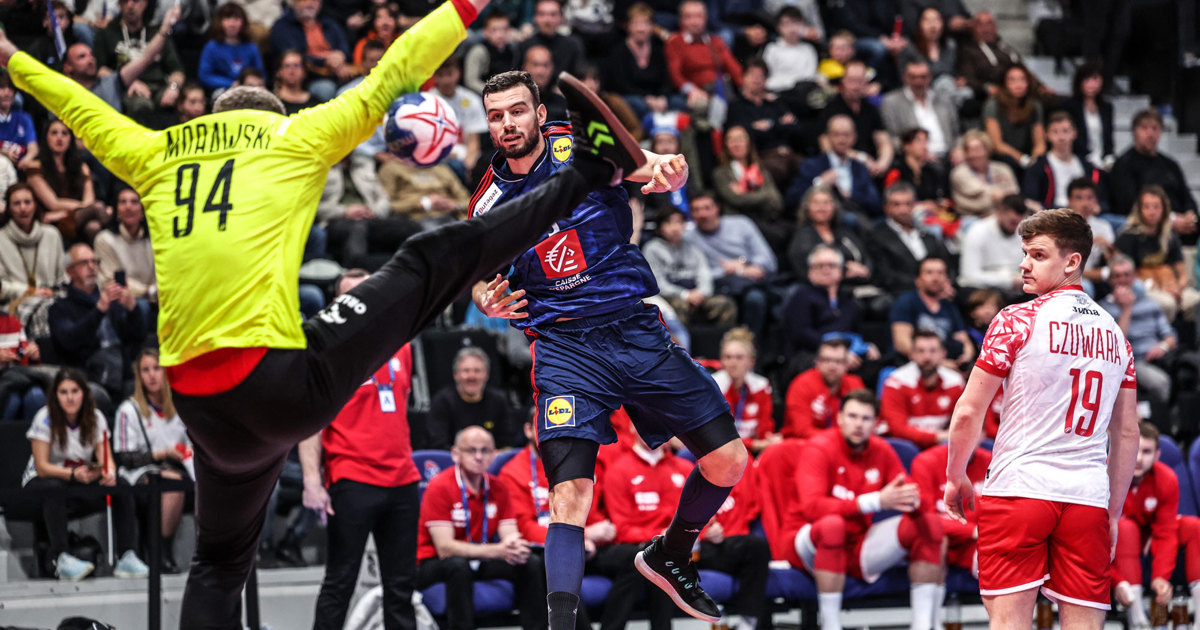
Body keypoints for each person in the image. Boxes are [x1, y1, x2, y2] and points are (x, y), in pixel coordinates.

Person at [0, 2, 666, 622]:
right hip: (275, 384)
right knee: (429, 260)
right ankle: (588, 170)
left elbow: (76, 105)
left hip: (201, 406)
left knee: (220, 560)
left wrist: (9, 56)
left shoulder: (152, 153)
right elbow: (395, 68)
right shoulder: (293, 137)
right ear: (266, 114)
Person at [467, 69, 745, 628]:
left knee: (729, 461)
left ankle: (669, 556)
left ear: (540, 114)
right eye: (496, 115)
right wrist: (485, 300)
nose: (507, 124)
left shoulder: (579, 146)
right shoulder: (488, 203)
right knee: (569, 494)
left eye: (517, 111)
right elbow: (474, 276)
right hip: (566, 347)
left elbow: (645, 164)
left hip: (633, 330)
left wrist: (668, 170)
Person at [945, 208, 1140, 626]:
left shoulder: (1017, 319)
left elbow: (968, 412)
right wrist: (1113, 513)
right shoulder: (1116, 334)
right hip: (1087, 496)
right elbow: (1126, 434)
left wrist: (955, 475)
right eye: (1024, 253)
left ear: (1072, 262)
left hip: (1020, 488)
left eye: (1037, 254)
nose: (1023, 264)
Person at [299, 269, 422, 630]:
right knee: (340, 582)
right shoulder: (326, 351)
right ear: (338, 304)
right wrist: (311, 480)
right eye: (351, 294)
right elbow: (311, 421)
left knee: (401, 587)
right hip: (352, 477)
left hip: (402, 479)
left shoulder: (401, 343)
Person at [781, 389, 947, 630]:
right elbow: (812, 507)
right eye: (852, 416)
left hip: (857, 541)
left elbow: (911, 492)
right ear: (839, 418)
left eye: (866, 418)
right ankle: (831, 625)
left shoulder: (881, 450)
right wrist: (875, 501)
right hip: (806, 540)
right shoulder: (818, 448)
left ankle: (923, 625)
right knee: (832, 526)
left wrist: (912, 499)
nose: (858, 424)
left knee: (930, 524)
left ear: (876, 423)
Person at [22, 368, 148, 581]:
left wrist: (107, 474)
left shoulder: (96, 418)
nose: (70, 397)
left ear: (84, 394)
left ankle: (127, 555)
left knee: (121, 484)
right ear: (56, 396)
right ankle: (62, 558)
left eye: (75, 391)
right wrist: (72, 475)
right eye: (63, 392)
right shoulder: (44, 417)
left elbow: (106, 459)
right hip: (41, 484)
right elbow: (42, 466)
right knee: (54, 487)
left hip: (79, 480)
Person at [416, 425, 543, 630]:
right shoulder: (440, 486)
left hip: (480, 557)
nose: (478, 456)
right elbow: (445, 548)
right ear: (456, 454)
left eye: (485, 451)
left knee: (530, 562)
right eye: (471, 450)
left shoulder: (498, 487)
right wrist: (497, 550)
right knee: (458, 565)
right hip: (434, 562)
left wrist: (516, 547)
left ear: (493, 455)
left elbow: (509, 534)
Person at [112, 348, 192, 573]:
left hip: (178, 467)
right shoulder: (129, 409)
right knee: (171, 482)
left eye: (156, 368)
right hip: (137, 472)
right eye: (145, 370)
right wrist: (162, 454)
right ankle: (160, 551)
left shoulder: (179, 406)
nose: (152, 375)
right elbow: (125, 457)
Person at [47, 243, 147, 393]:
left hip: (121, 374)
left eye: (94, 261)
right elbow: (69, 341)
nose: (92, 267)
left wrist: (132, 308)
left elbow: (137, 337)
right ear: (69, 271)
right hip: (85, 379)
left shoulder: (110, 300)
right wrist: (99, 310)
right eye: (84, 263)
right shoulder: (60, 308)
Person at [1110, 422, 1179, 629]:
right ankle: (1137, 619)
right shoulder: (1104, 475)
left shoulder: (1166, 478)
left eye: (1146, 451)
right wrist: (1117, 580)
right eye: (1135, 449)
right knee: (1125, 527)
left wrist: (1161, 577)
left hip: (1146, 543)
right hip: (1112, 549)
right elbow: (1093, 538)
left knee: (1193, 527)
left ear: (1157, 455)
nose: (1139, 458)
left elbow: (1166, 532)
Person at [1098, 255, 1176, 410]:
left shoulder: (1150, 302)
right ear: (1110, 279)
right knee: (1160, 382)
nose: (1123, 279)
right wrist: (1126, 309)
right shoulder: (1102, 309)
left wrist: (1163, 346)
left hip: (1162, 356)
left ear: (1134, 277)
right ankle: (1164, 421)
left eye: (1127, 274)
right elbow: (1115, 345)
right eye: (1117, 276)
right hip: (1134, 361)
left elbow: (1170, 335)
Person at [91, 0, 186, 125]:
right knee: (141, 104)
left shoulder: (155, 33)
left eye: (135, 1)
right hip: (125, 89)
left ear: (145, 3)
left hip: (158, 87)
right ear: (119, 4)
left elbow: (177, 71)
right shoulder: (107, 33)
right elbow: (99, 69)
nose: (130, 5)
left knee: (180, 101)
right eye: (125, 1)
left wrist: (173, 88)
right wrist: (123, 80)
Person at [1114, 186, 1199, 321]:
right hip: (1144, 288)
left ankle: (1192, 340)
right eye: (1146, 207)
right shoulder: (1128, 236)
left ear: (1164, 209)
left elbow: (1183, 274)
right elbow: (1124, 275)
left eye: (1156, 207)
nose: (1151, 212)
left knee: (1196, 300)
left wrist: (1177, 287)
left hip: (1171, 285)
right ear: (1139, 209)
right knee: (1167, 303)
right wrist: (1161, 288)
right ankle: (1164, 336)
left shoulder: (1170, 234)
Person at [642, 208, 736, 327]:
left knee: (725, 304)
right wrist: (685, 295)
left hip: (696, 293)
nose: (675, 227)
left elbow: (704, 274)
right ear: (660, 226)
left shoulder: (692, 248)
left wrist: (702, 293)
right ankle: (681, 344)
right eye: (669, 222)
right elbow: (657, 283)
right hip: (671, 296)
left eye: (679, 222)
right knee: (678, 305)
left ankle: (723, 344)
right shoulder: (652, 249)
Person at [911, 440, 990, 579]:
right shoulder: (926, 462)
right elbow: (926, 518)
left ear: (982, 434)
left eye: (974, 429)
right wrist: (972, 531)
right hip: (941, 537)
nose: (967, 436)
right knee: (932, 540)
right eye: (962, 428)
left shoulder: (992, 462)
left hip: (980, 542)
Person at [781, 244, 872, 365]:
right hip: (809, 358)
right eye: (819, 266)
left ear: (841, 271)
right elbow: (802, 334)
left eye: (831, 265)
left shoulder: (850, 303)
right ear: (810, 272)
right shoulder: (801, 296)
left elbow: (856, 334)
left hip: (846, 357)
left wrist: (866, 347)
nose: (825, 270)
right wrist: (838, 354)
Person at [23, 120, 110, 244]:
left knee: (93, 227)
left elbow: (89, 201)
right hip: (51, 220)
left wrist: (67, 212)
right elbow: (53, 204)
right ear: (46, 137)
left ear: (71, 139)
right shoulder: (35, 167)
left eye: (64, 133)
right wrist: (83, 208)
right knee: (99, 207)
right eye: (54, 133)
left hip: (71, 217)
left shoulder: (81, 167)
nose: (59, 137)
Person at [1110, 109, 1199, 223]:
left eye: (1155, 128)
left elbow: (1187, 197)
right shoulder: (1123, 164)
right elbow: (1128, 205)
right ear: (1134, 131)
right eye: (1144, 128)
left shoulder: (1170, 164)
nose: (1150, 133)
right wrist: (1170, 220)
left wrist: (1190, 216)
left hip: (1181, 223)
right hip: (1146, 226)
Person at [878, 330, 964, 448]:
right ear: (911, 354)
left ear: (943, 354)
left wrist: (947, 437)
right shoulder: (896, 382)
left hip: (941, 445)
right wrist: (937, 437)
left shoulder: (955, 382)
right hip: (906, 445)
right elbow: (897, 429)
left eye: (933, 351)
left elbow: (962, 421)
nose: (927, 357)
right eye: (921, 351)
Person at [788, 115, 881, 217]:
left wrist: (849, 196)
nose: (841, 139)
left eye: (846, 135)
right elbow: (792, 200)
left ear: (854, 138)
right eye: (836, 134)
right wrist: (819, 183)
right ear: (827, 137)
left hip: (858, 222)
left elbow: (875, 204)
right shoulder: (811, 165)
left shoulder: (860, 168)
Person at [710, 125, 786, 249]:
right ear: (726, 146)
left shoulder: (760, 169)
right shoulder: (721, 173)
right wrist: (765, 194)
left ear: (748, 143)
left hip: (764, 218)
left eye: (740, 139)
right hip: (737, 223)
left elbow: (776, 201)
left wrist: (745, 194)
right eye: (731, 140)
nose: (737, 144)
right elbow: (736, 200)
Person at [867, 183, 951, 294]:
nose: (903, 210)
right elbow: (884, 275)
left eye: (908, 204)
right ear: (886, 207)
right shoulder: (877, 237)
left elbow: (947, 263)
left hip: (938, 291)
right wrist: (922, 284)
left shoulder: (928, 236)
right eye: (896, 205)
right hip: (902, 293)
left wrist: (945, 283)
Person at [428, 347, 518, 449]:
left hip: (491, 462)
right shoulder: (442, 402)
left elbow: (507, 444)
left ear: (486, 375)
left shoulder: (498, 400)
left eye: (477, 371)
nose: (472, 376)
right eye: (466, 371)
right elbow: (438, 445)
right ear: (456, 375)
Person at [267, 0, 354, 103]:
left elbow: (344, 47)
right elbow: (291, 55)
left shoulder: (329, 23)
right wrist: (326, 61)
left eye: (315, 1)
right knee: (326, 89)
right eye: (304, 0)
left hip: (339, 72)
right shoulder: (282, 26)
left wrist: (341, 56)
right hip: (309, 77)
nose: (310, 3)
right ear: (294, 3)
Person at [890, 256, 972, 363]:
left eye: (940, 273)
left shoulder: (950, 307)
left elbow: (965, 341)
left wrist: (964, 359)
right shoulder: (906, 302)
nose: (935, 278)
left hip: (947, 366)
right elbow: (902, 343)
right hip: (909, 365)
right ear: (917, 279)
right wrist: (939, 364)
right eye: (929, 272)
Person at [710, 327, 779, 454]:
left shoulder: (761, 385)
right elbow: (717, 435)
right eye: (728, 357)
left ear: (751, 361)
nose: (733, 363)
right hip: (722, 451)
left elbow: (765, 428)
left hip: (754, 450)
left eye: (739, 357)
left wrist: (770, 440)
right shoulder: (714, 385)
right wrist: (754, 444)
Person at [818, 60, 893, 176]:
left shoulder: (870, 108)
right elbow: (826, 145)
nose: (856, 86)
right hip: (844, 167)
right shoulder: (831, 109)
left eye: (860, 81)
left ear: (866, 83)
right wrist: (861, 158)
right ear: (843, 81)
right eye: (852, 81)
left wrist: (883, 162)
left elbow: (883, 140)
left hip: (872, 166)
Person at [783, 338, 866, 439]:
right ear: (817, 362)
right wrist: (838, 440)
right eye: (827, 360)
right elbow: (802, 430)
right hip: (804, 445)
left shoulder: (855, 384)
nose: (832, 366)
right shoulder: (802, 384)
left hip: (844, 446)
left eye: (838, 361)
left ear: (846, 364)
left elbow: (865, 422)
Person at [1023, 113, 1108, 212]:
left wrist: (1097, 207)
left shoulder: (1087, 166)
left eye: (1065, 131)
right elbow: (1030, 199)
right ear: (1047, 135)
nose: (1061, 137)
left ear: (1074, 133)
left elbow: (1103, 200)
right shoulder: (1039, 166)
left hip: (1086, 215)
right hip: (1053, 216)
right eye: (1055, 132)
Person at [787, 186, 872, 283]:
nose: (822, 207)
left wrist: (866, 270)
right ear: (807, 208)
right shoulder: (803, 235)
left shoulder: (844, 232)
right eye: (816, 203)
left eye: (826, 203)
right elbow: (808, 263)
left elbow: (865, 255)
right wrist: (845, 269)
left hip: (860, 283)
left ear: (834, 207)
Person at [880, 59, 959, 162]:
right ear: (905, 77)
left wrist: (958, 149)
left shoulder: (944, 100)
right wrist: (916, 152)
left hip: (949, 156)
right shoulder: (892, 102)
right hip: (916, 160)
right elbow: (892, 138)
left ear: (930, 77)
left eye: (923, 77)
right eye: (913, 77)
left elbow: (956, 133)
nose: (918, 82)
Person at [0, 183, 66, 305]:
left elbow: (63, 278)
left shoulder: (52, 234)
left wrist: (52, 292)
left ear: (35, 205)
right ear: (8, 209)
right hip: (15, 303)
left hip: (51, 299)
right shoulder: (1, 239)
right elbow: (1, 287)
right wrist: (31, 292)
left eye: (27, 202)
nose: (23, 208)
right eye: (16, 203)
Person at [94, 187, 155, 306]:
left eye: (134, 202)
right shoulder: (104, 239)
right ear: (117, 211)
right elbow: (112, 280)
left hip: (154, 299)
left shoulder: (153, 239)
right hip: (120, 302)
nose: (128, 207)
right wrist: (148, 291)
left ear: (142, 211)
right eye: (123, 202)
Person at [958, 194, 1027, 292]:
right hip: (982, 289)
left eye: (1018, 222)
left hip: (1016, 289)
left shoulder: (1022, 231)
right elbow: (969, 276)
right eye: (1012, 222)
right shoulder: (977, 231)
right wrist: (1008, 281)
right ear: (999, 213)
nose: (1015, 227)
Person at [982, 64, 1044, 171]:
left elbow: (1040, 143)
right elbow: (997, 144)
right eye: (1012, 80)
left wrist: (1034, 158)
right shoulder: (993, 104)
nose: (1018, 84)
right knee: (1008, 162)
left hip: (1027, 155)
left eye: (1022, 80)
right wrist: (1021, 158)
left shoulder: (1034, 105)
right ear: (1004, 83)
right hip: (1003, 156)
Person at [949, 130, 1019, 218]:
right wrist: (1001, 196)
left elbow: (1015, 195)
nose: (973, 155)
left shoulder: (1002, 169)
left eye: (977, 150)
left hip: (1004, 217)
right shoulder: (959, 173)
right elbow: (977, 204)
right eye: (968, 150)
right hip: (973, 218)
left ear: (987, 150)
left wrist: (999, 197)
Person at [198, 2, 266, 93]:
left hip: (249, 90)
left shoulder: (251, 48)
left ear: (243, 22)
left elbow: (261, 74)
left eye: (236, 19)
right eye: (227, 18)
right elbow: (204, 76)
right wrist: (230, 83)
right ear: (220, 22)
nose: (232, 24)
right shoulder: (211, 47)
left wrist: (247, 84)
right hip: (221, 90)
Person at [955, 11, 1021, 102]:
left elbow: (1021, 66)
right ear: (973, 28)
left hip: (1016, 86)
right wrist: (985, 87)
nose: (986, 29)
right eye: (980, 24)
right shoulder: (968, 50)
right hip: (989, 92)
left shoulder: (1005, 47)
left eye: (989, 23)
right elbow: (966, 78)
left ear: (995, 26)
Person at [1061, 61, 1114, 169]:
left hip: (1102, 160)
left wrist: (1109, 157)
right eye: (1087, 79)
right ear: (1079, 81)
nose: (1091, 84)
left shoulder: (1107, 107)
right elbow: (1073, 138)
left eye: (1095, 79)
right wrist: (1090, 157)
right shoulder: (1070, 106)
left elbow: (1109, 137)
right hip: (1079, 159)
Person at [518, 0, 586, 82]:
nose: (547, 20)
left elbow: (580, 77)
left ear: (562, 18)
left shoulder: (573, 45)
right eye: (542, 14)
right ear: (535, 17)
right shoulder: (524, 46)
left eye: (553, 14)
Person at [883, 128, 949, 210]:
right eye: (919, 141)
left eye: (926, 141)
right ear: (906, 146)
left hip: (931, 215)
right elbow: (890, 201)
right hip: (905, 213)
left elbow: (937, 196)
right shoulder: (896, 171)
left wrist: (939, 203)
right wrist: (921, 205)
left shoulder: (930, 171)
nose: (925, 146)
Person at [1067, 178, 1116, 288]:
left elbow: (1115, 261)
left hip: (1099, 277)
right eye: (1079, 198)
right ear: (1069, 201)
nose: (1085, 203)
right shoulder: (1060, 227)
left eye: (1089, 198)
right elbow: (1063, 270)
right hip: (1070, 278)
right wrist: (1100, 274)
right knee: (1085, 287)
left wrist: (1109, 248)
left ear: (1095, 201)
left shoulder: (1104, 226)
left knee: (1137, 286)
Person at [762, 7, 819, 93]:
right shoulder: (772, 49)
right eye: (786, 24)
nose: (792, 29)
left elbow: (809, 76)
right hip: (779, 93)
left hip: (804, 93)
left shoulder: (808, 49)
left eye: (796, 23)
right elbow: (767, 79)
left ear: (803, 25)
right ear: (779, 27)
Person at [464, 12, 517, 94]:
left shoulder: (512, 51)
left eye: (504, 29)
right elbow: (471, 81)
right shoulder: (479, 51)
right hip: (483, 96)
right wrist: (494, 92)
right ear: (485, 32)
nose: (500, 35)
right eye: (494, 30)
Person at [0, 73, 37, 169]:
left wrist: (26, 160)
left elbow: (33, 147)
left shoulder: (24, 118)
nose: (7, 93)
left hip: (23, 166)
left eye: (11, 89)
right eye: (2, 88)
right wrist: (3, 154)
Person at [273, 50, 321, 115]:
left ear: (304, 71)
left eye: (296, 66)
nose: (292, 71)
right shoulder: (272, 102)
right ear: (279, 72)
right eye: (287, 66)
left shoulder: (315, 104)